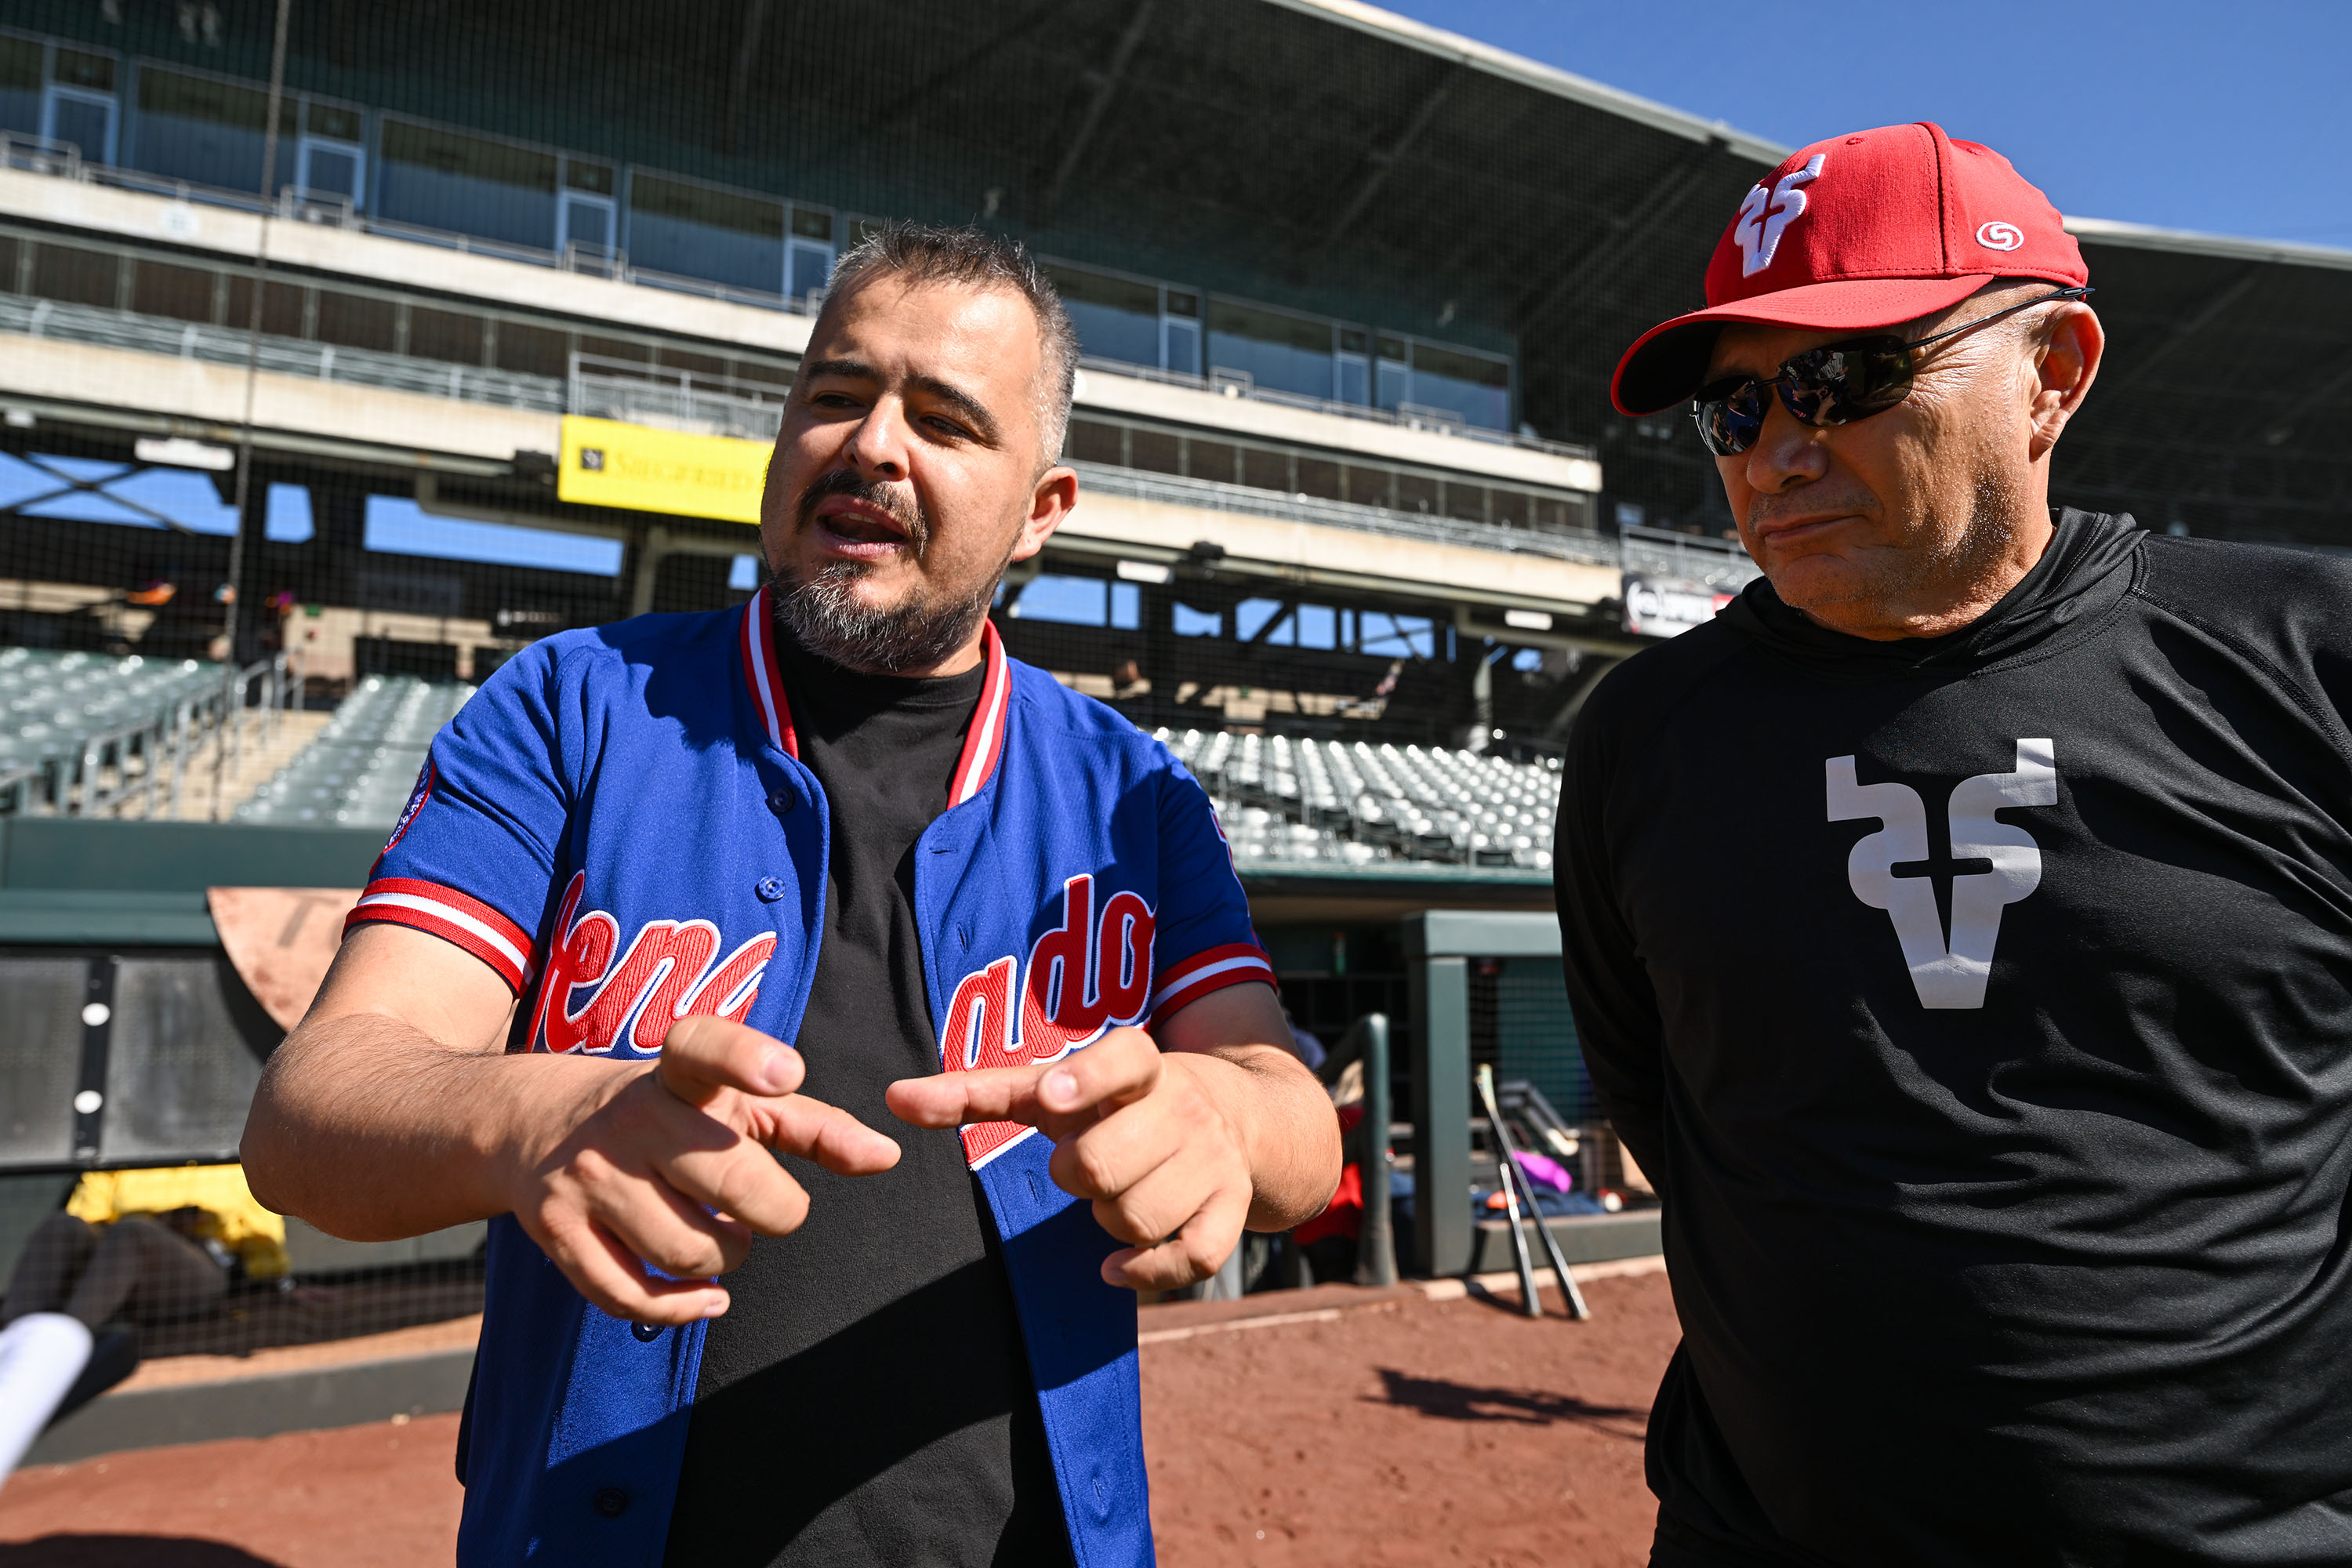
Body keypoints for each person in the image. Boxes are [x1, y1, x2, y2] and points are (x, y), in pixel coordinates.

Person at [241, 223, 1341, 1568]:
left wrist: (1223, 1112)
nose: (873, 442)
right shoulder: (572, 707)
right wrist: (536, 1111)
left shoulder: (1134, 791)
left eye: (944, 419)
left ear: (1043, 509)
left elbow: (1298, 1131)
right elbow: (308, 1122)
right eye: (836, 393)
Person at [1556, 122, 2352, 1566]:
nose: (1779, 451)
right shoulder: (1643, 734)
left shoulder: (2308, 657)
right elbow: (1678, 1121)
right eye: (1733, 411)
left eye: (1841, 377)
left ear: (2053, 375)